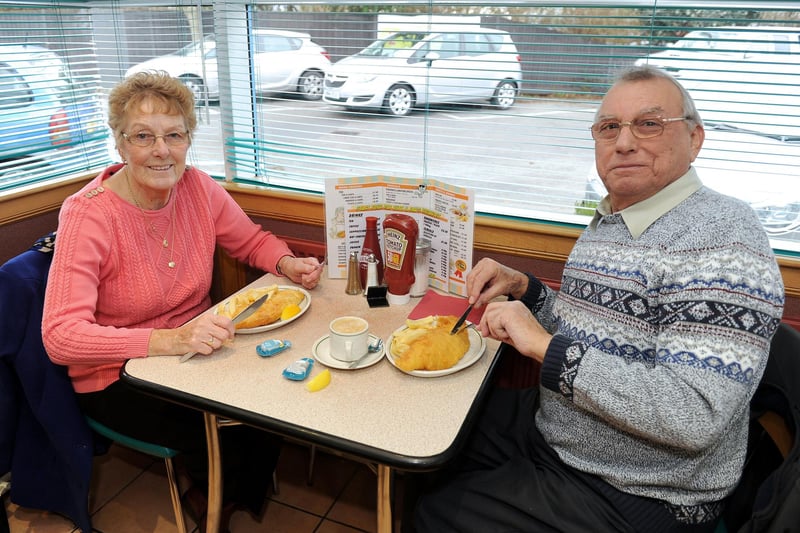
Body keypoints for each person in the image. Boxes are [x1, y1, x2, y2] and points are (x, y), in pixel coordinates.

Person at [409, 65, 785, 532]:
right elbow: (589, 327)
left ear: (696, 138)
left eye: (648, 124)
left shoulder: (726, 241)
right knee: (429, 432)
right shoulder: (613, 217)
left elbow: (694, 416)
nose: (624, 142)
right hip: (564, 427)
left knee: (435, 516)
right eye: (609, 128)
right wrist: (527, 289)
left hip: (640, 487)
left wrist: (544, 348)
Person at [42, 70, 323, 530]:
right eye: (143, 136)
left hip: (196, 346)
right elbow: (60, 338)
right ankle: (215, 495)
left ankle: (234, 491)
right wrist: (171, 341)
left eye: (174, 135)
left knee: (271, 391)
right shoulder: (88, 214)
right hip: (117, 372)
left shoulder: (197, 186)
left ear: (188, 139)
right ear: (119, 144)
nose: (161, 150)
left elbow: (250, 241)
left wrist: (287, 263)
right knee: (224, 420)